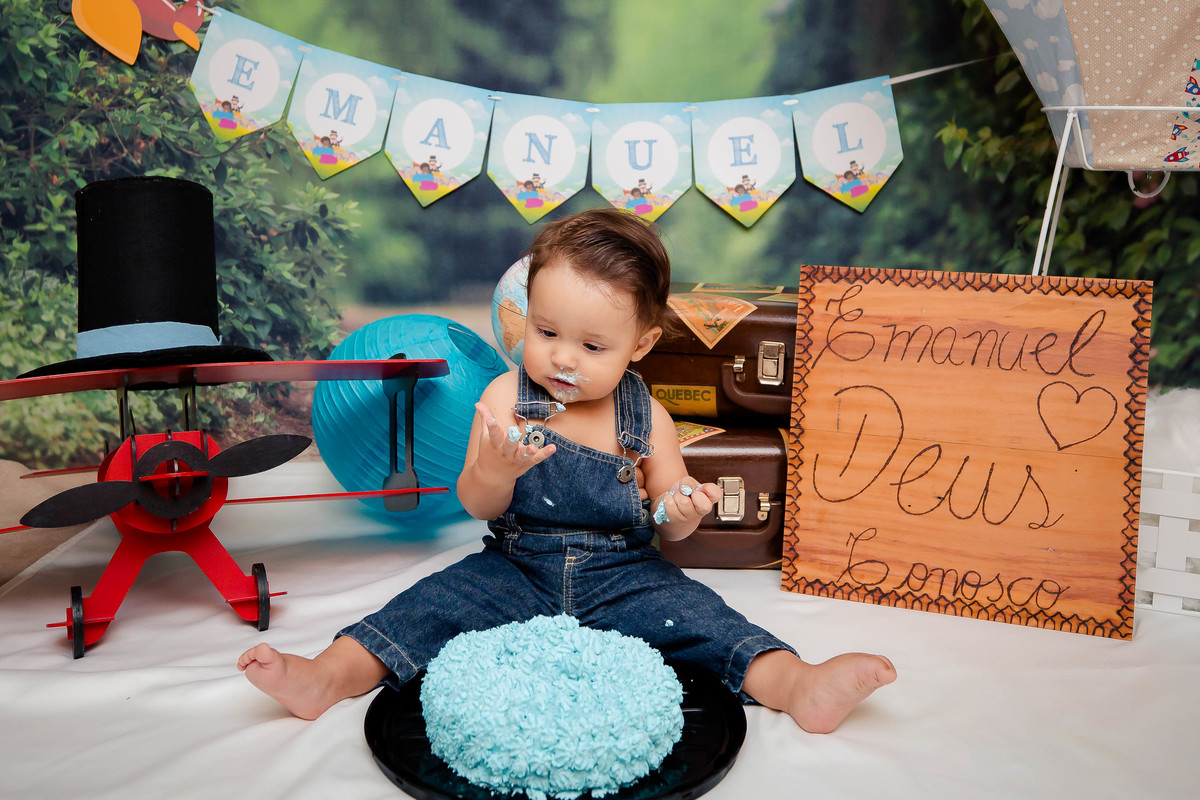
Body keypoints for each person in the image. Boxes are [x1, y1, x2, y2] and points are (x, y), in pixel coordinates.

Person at [237, 208, 895, 733]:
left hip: (625, 574)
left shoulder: (649, 418)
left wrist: (682, 508)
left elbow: (669, 519)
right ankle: (326, 674)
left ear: (640, 344)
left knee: (707, 619)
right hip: (517, 567)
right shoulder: (503, 397)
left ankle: (797, 684)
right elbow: (477, 504)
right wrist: (494, 468)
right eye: (547, 332)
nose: (562, 359)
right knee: (425, 607)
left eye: (592, 345)